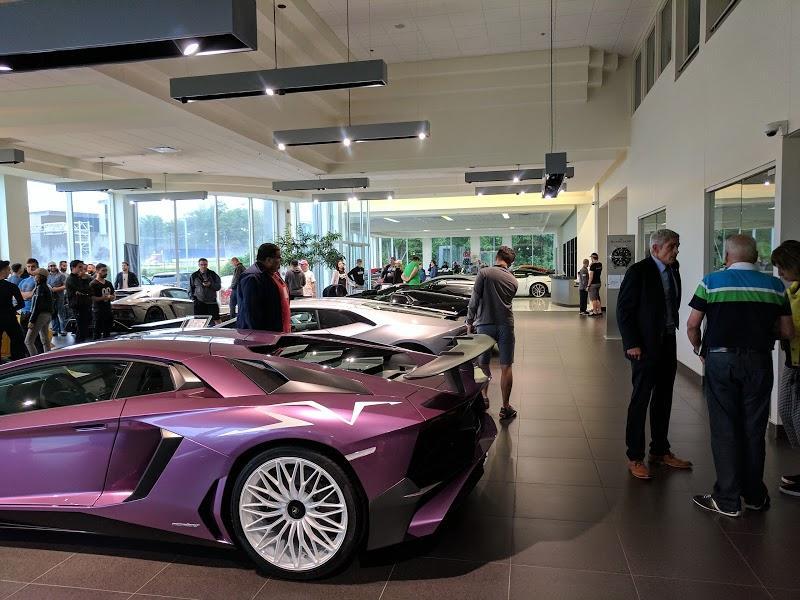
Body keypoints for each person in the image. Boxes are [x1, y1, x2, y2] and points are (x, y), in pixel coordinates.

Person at [687, 234, 794, 517]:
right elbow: (787, 331)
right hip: (759, 361)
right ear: (756, 256)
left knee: (725, 428)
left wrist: (699, 348)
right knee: (754, 428)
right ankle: (755, 495)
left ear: (726, 257)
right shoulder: (775, 286)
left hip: (721, 360)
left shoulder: (711, 282)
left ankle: (727, 499)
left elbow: (692, 324)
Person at [617, 229, 692, 480]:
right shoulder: (638, 271)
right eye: (672, 246)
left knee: (664, 397)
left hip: (667, 340)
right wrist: (632, 343)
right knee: (641, 398)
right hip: (644, 345)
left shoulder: (673, 269)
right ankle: (635, 456)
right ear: (655, 248)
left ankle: (660, 450)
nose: (676, 251)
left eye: (677, 245)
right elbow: (624, 310)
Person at [466, 245, 519, 421]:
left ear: (497, 257)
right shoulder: (513, 280)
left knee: (483, 364)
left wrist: (469, 321)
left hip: (485, 324)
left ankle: (484, 398)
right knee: (506, 366)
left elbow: (475, 298)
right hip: (506, 325)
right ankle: (505, 407)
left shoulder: (484, 273)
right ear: (510, 263)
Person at [771, 240, 800, 496]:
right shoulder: (791, 291)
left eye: (782, 266)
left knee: (798, 418)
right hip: (792, 362)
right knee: (786, 412)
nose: (779, 272)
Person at [237, 243, 290, 332]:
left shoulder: (273, 274)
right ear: (269, 260)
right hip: (266, 335)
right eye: (278, 258)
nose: (280, 261)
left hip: (280, 332)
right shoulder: (252, 278)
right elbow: (252, 314)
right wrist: (263, 338)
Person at [0, 260, 26, 361]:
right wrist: (12, 309)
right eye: (8, 269)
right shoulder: (11, 286)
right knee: (17, 338)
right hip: (9, 317)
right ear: (3, 271)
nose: (10, 272)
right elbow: (21, 303)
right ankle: (17, 360)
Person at [25, 268, 53, 355]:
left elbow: (37, 305)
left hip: (40, 316)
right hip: (47, 315)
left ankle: (35, 360)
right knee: (44, 339)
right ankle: (48, 358)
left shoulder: (40, 288)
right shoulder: (46, 287)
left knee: (28, 341)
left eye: (35, 275)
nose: (34, 277)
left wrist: (32, 320)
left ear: (40, 277)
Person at [66, 259, 92, 343]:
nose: (82, 269)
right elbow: (83, 289)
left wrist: (85, 280)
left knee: (85, 326)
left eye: (82, 267)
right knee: (81, 327)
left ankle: (81, 343)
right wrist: (84, 280)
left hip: (85, 304)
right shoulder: (71, 279)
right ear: (73, 268)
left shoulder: (80, 278)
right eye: (79, 267)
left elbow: (90, 290)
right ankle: (78, 344)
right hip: (77, 306)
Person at [89, 263, 115, 340]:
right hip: (98, 310)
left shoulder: (108, 283)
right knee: (97, 331)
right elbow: (92, 297)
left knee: (108, 331)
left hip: (108, 309)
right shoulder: (93, 284)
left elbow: (113, 294)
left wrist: (112, 297)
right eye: (103, 271)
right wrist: (103, 298)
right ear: (97, 271)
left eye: (106, 271)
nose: (105, 272)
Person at [17, 259, 40, 341]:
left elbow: (32, 295)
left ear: (37, 267)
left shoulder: (39, 280)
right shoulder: (23, 281)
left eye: (33, 266)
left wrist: (25, 295)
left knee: (36, 338)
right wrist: (28, 295)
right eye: (28, 266)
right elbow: (18, 296)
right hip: (24, 312)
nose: (31, 268)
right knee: (25, 336)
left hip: (35, 312)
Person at [46, 261, 67, 336]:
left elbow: (65, 286)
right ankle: (55, 329)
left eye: (54, 265)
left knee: (60, 313)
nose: (52, 267)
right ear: (48, 267)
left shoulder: (61, 275)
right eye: (51, 266)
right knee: (53, 313)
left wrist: (56, 289)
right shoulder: (47, 276)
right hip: (50, 298)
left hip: (59, 297)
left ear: (56, 266)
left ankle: (63, 329)